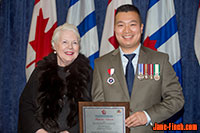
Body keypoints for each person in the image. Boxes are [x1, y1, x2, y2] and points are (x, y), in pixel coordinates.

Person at [91, 4, 184, 133]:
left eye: (132, 24)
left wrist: (147, 116)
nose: (127, 31)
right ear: (114, 29)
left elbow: (176, 99)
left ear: (141, 28)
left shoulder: (159, 60)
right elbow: (98, 105)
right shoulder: (101, 64)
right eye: (121, 25)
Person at [18, 23, 92, 133]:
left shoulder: (88, 74)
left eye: (74, 43)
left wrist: (70, 132)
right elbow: (26, 104)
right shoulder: (41, 71)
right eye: (65, 42)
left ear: (79, 47)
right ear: (54, 45)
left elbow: (91, 110)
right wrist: (38, 130)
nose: (70, 47)